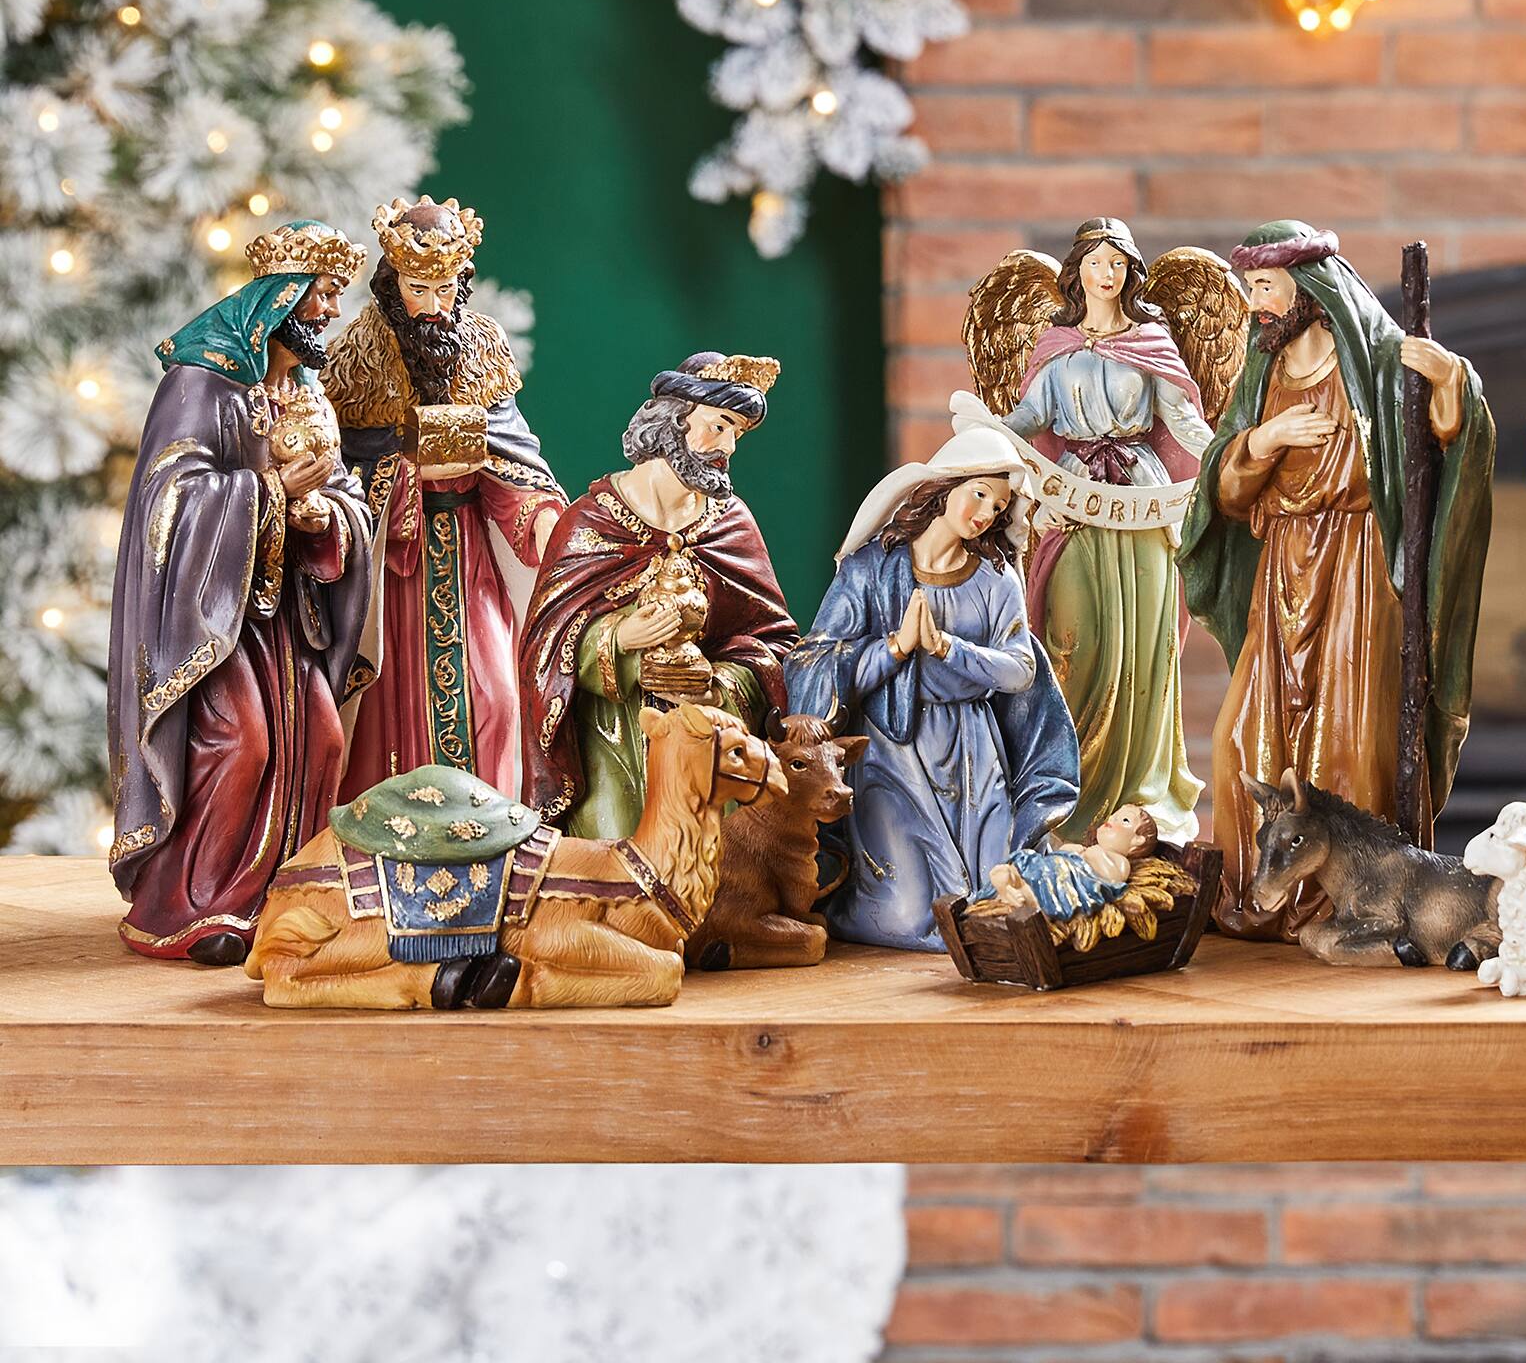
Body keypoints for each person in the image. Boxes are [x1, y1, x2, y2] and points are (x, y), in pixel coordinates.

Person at [1180, 220, 1495, 938]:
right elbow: (1223, 491)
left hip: (1357, 564)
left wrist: (1450, 382)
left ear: (1308, 288)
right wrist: (1265, 440)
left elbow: (1448, 440)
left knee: (1349, 738)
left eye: (1265, 287)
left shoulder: (1377, 361)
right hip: (1282, 565)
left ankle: (1353, 900)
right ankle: (1259, 890)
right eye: (1250, 287)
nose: (1256, 303)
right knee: (1242, 738)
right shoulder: (1262, 373)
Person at [108, 222, 373, 963]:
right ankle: (197, 904)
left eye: (336, 297)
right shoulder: (201, 383)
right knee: (242, 743)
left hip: (282, 616)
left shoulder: (305, 393)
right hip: (210, 617)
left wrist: (324, 516)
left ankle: (287, 896)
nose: (331, 311)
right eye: (321, 294)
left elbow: (344, 494)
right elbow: (169, 499)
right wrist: (268, 493)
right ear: (279, 296)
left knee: (322, 738)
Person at [784, 427, 1080, 952]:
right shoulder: (871, 569)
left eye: (999, 505)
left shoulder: (996, 579)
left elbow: (1020, 669)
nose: (986, 513)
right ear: (944, 489)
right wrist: (895, 648)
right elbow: (814, 659)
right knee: (905, 917)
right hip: (891, 751)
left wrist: (947, 648)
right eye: (979, 494)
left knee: (995, 896)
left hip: (972, 751)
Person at [974, 219, 1221, 847]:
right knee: (1071, 641)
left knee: (1144, 647)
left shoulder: (1152, 341)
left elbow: (1183, 422)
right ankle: (1066, 788)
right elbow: (1029, 418)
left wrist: (1230, 452)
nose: (1105, 274)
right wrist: (983, 434)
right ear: (1077, 271)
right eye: (1094, 262)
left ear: (1130, 271)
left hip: (1141, 497)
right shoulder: (1055, 347)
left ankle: (1140, 796)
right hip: (1075, 495)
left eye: (1116, 263)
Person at [321, 196, 566, 798]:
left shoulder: (481, 345)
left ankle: (487, 824)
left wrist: (539, 516)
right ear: (392, 284)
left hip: (469, 554)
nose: (433, 307)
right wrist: (411, 473)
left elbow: (516, 456)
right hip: (391, 569)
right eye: (417, 290)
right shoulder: (358, 354)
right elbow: (341, 471)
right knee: (383, 710)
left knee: (496, 697)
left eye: (446, 289)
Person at [517, 355, 797, 836]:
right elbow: (542, 645)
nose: (727, 447)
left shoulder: (730, 523)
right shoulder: (589, 523)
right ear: (672, 421)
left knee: (721, 862)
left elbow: (774, 641)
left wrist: (717, 685)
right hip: (613, 742)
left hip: (706, 745)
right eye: (718, 426)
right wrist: (618, 640)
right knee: (619, 857)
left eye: (737, 434)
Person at [979, 803, 1158, 923]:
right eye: (1114, 816)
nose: (1112, 820)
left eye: (1125, 821)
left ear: (1137, 840)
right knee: (1027, 859)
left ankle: (1022, 894)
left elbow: (1111, 878)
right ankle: (1010, 881)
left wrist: (1093, 853)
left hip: (1068, 879)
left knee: (1049, 881)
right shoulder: (1086, 849)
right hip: (1053, 867)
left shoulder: (1121, 861)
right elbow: (1061, 853)